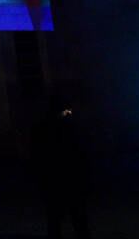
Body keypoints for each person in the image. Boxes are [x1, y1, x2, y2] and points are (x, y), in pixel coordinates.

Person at [32, 95, 91, 239]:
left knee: (55, 221)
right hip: (70, 179)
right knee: (78, 219)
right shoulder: (69, 127)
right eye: (67, 110)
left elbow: (37, 157)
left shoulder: (42, 129)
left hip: (52, 181)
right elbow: (80, 154)